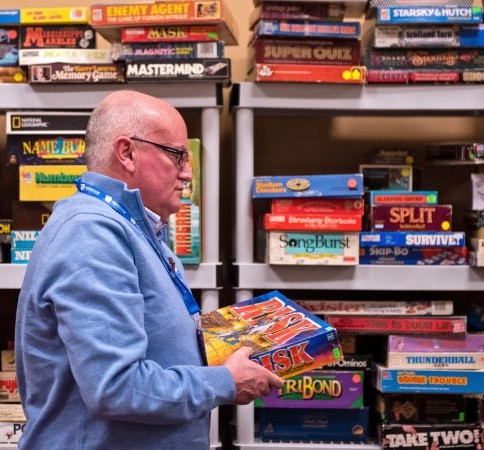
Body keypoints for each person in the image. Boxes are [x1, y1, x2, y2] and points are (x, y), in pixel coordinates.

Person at [14, 90, 283, 450]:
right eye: (178, 156)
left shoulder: (134, 227)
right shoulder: (92, 233)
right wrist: (226, 382)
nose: (188, 173)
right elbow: (116, 387)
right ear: (127, 153)